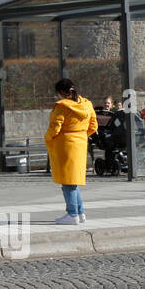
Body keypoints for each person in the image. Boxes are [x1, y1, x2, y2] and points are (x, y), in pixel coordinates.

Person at [45, 78, 97, 224]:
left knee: (67, 182)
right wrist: (80, 136)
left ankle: (72, 214)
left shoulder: (62, 106)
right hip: (80, 144)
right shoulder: (87, 104)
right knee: (73, 181)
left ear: (61, 92)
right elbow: (93, 126)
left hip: (65, 145)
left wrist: (48, 138)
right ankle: (80, 213)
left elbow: (55, 127)